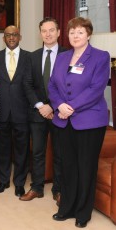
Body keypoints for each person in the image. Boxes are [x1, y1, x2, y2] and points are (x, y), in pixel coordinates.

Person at [49, 17, 109, 228]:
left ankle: (83, 212)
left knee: (86, 167)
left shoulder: (100, 57)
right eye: (72, 32)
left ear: (89, 35)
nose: (75, 36)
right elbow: (52, 86)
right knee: (68, 166)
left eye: (80, 32)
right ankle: (67, 207)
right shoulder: (62, 57)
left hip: (90, 121)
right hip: (63, 121)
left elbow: (96, 89)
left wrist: (70, 107)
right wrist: (59, 106)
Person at [21, 17, 65, 203]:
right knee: (37, 152)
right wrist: (41, 106)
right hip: (38, 113)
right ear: (40, 33)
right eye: (44, 31)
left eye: (51, 30)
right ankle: (37, 187)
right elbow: (27, 84)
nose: (48, 34)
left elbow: (69, 86)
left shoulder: (67, 55)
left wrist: (53, 106)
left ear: (58, 32)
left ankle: (59, 190)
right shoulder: (32, 56)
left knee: (60, 153)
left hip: (60, 112)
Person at [0, 25, 30, 197]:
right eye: (8, 35)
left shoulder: (29, 57)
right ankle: (3, 181)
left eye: (14, 35)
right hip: (1, 111)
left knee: (22, 150)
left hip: (22, 112)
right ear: (3, 38)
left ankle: (19, 183)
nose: (11, 37)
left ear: (20, 37)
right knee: (2, 149)